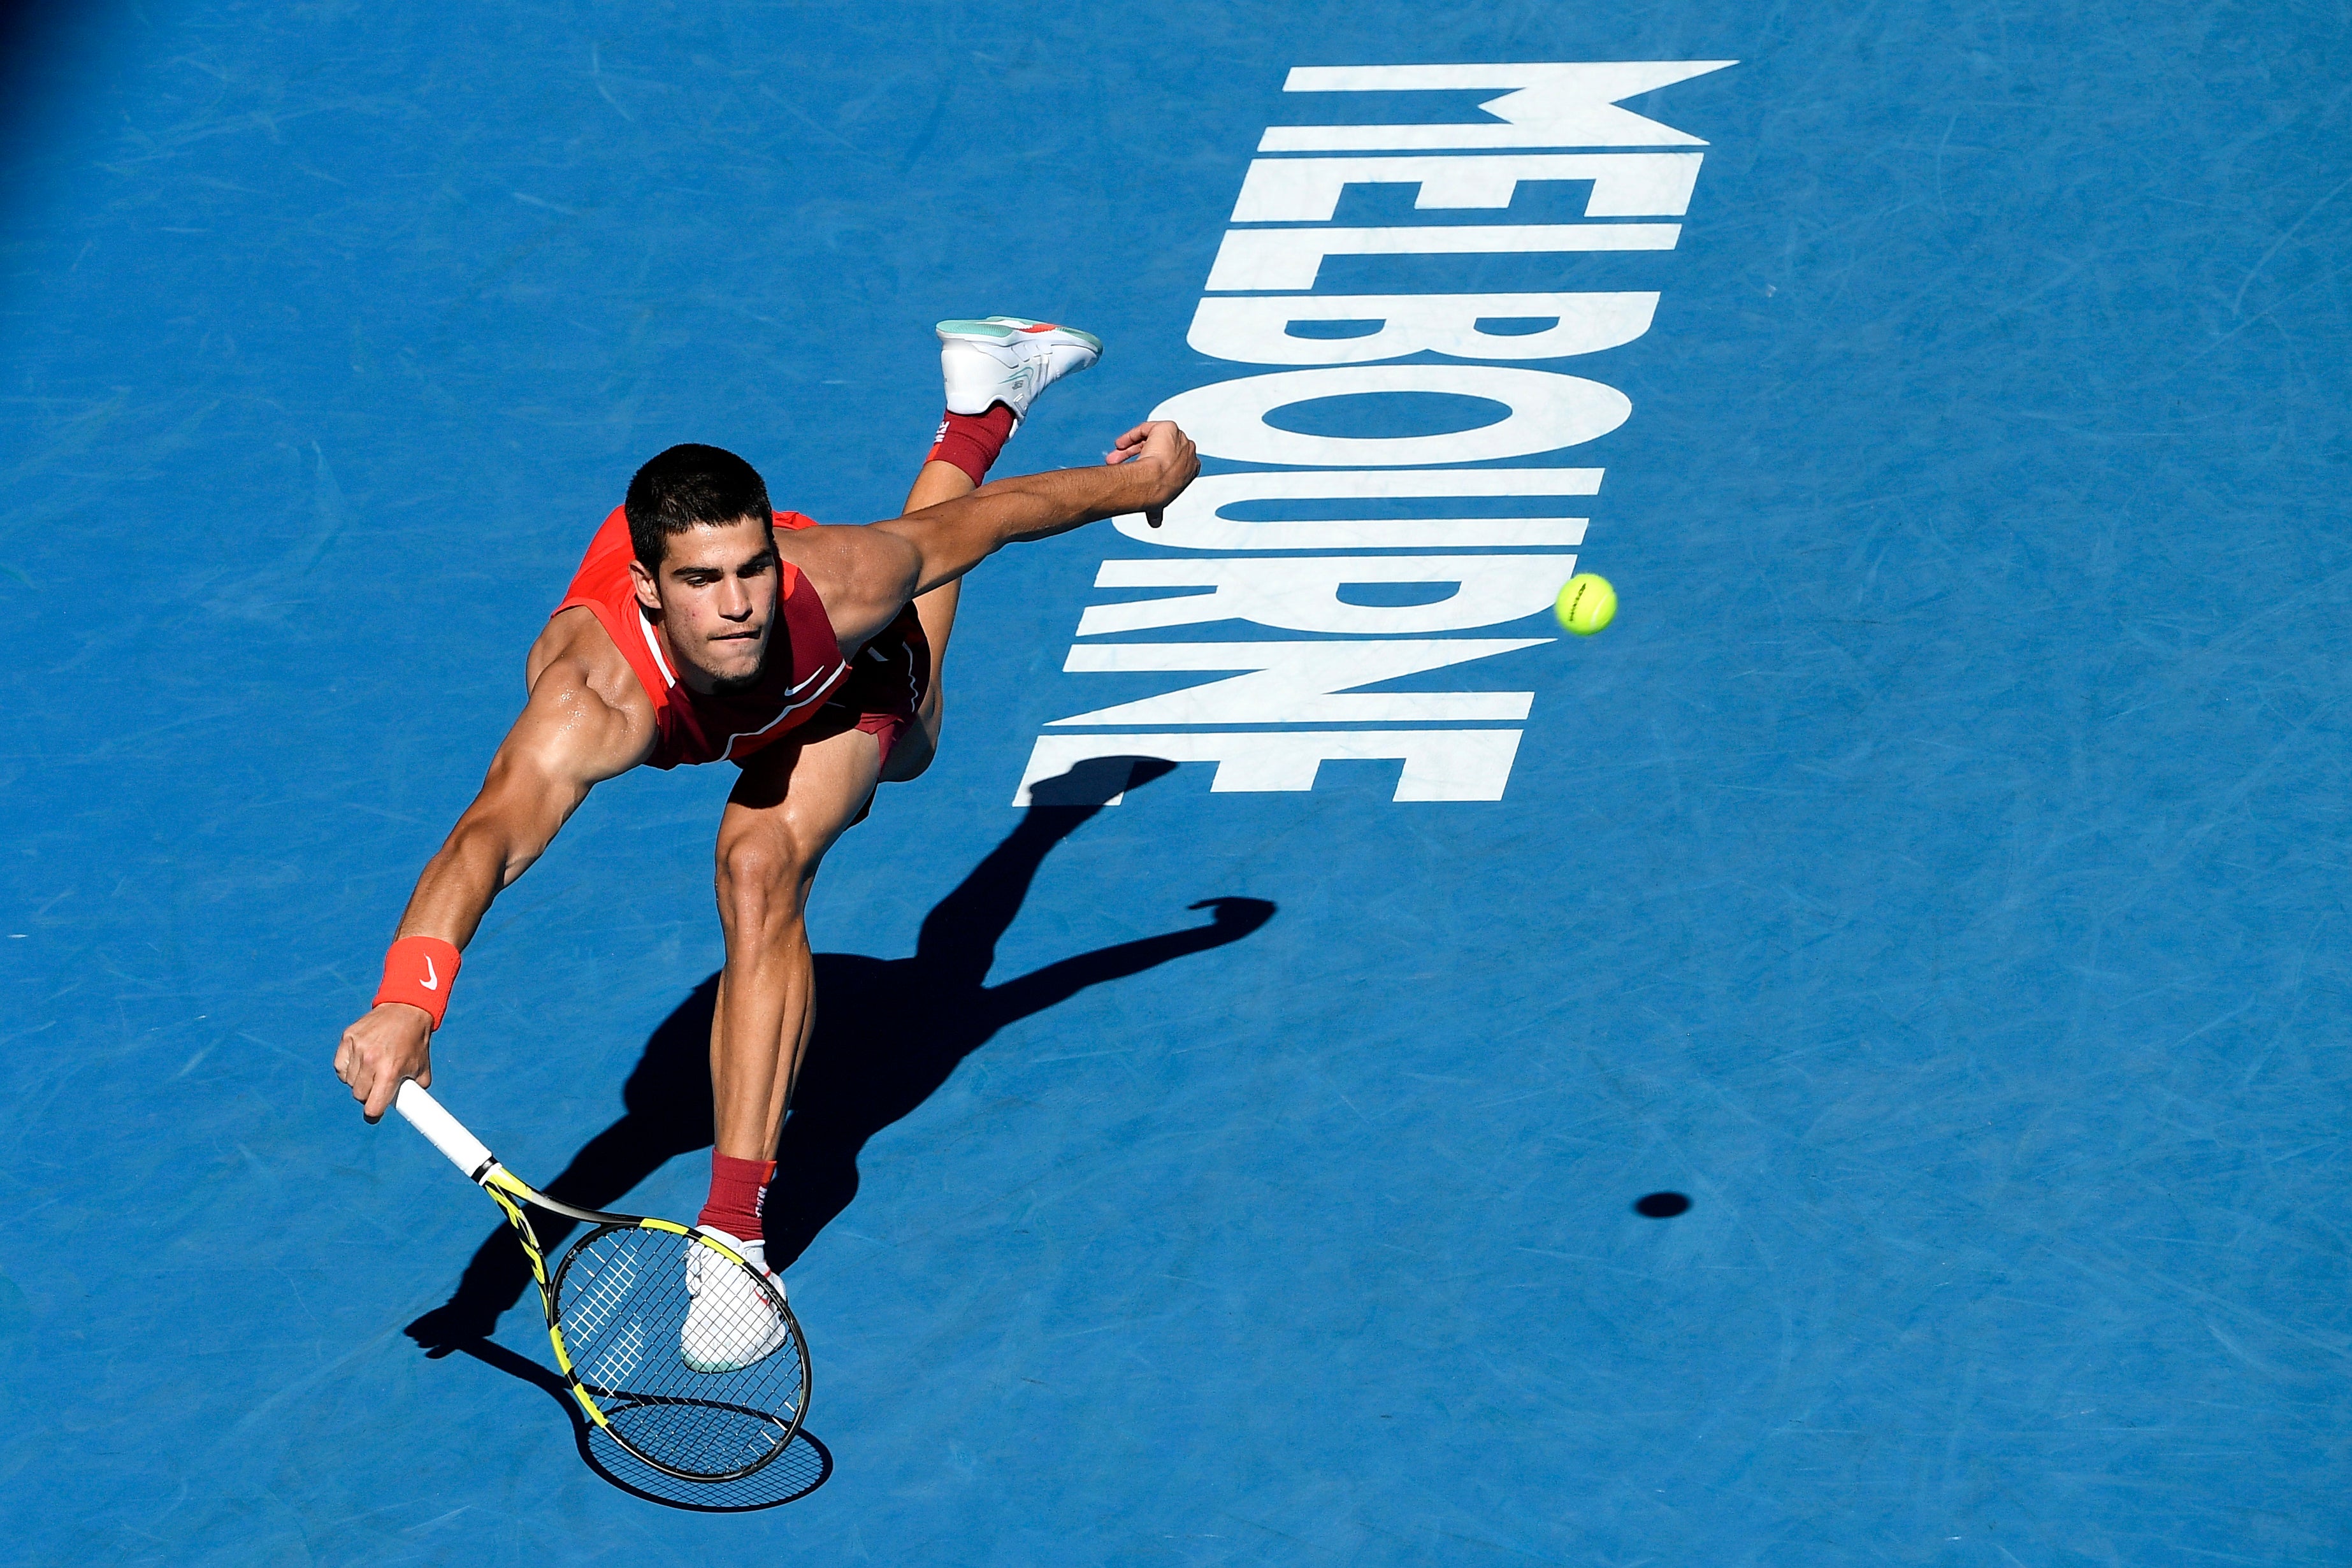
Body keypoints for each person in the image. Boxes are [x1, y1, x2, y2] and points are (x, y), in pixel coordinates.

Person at [333, 316, 1198, 1369]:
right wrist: (410, 996)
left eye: (750, 569)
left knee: (843, 791)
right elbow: (486, 841)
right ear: (651, 586)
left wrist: (1143, 486)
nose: (739, 606)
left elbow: (996, 524)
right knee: (772, 866)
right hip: (696, 696)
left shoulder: (827, 582)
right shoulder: (588, 702)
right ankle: (736, 1241)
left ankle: (986, 410)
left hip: (828, 686)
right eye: (703, 583)